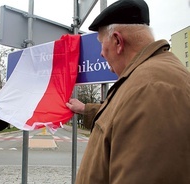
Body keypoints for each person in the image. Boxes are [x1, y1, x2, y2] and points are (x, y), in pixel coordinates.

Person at [66, 0, 190, 183]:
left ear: (117, 41)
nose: (101, 53)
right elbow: (120, 116)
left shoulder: (152, 88)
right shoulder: (145, 79)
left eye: (101, 43)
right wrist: (85, 108)